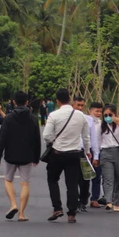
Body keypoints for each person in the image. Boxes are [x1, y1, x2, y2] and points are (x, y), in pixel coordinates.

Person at [43, 88, 90, 223]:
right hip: (74, 154)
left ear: (57, 101)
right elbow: (86, 137)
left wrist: (52, 142)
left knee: (52, 179)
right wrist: (87, 151)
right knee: (72, 184)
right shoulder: (81, 116)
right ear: (70, 99)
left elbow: (46, 135)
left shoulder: (54, 115)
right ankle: (71, 213)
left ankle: (57, 208)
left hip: (57, 153)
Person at [0, 91, 41, 221]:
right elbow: (37, 139)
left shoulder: (8, 118)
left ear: (14, 102)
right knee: (25, 183)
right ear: (27, 102)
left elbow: (2, 138)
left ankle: (13, 204)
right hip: (27, 155)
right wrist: (36, 157)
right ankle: (21, 213)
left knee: (8, 180)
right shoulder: (33, 118)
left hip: (10, 154)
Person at [98, 104, 119, 211]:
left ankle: (117, 202)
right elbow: (98, 141)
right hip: (105, 152)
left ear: (115, 114)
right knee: (108, 178)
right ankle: (108, 201)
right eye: (105, 115)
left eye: (110, 114)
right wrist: (97, 156)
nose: (107, 117)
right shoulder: (101, 125)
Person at [85, 101, 104, 208]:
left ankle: (94, 198)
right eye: (96, 111)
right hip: (87, 151)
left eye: (100, 111)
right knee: (85, 176)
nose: (98, 113)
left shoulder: (101, 124)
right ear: (90, 111)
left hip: (98, 151)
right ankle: (83, 196)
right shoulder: (85, 122)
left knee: (97, 176)